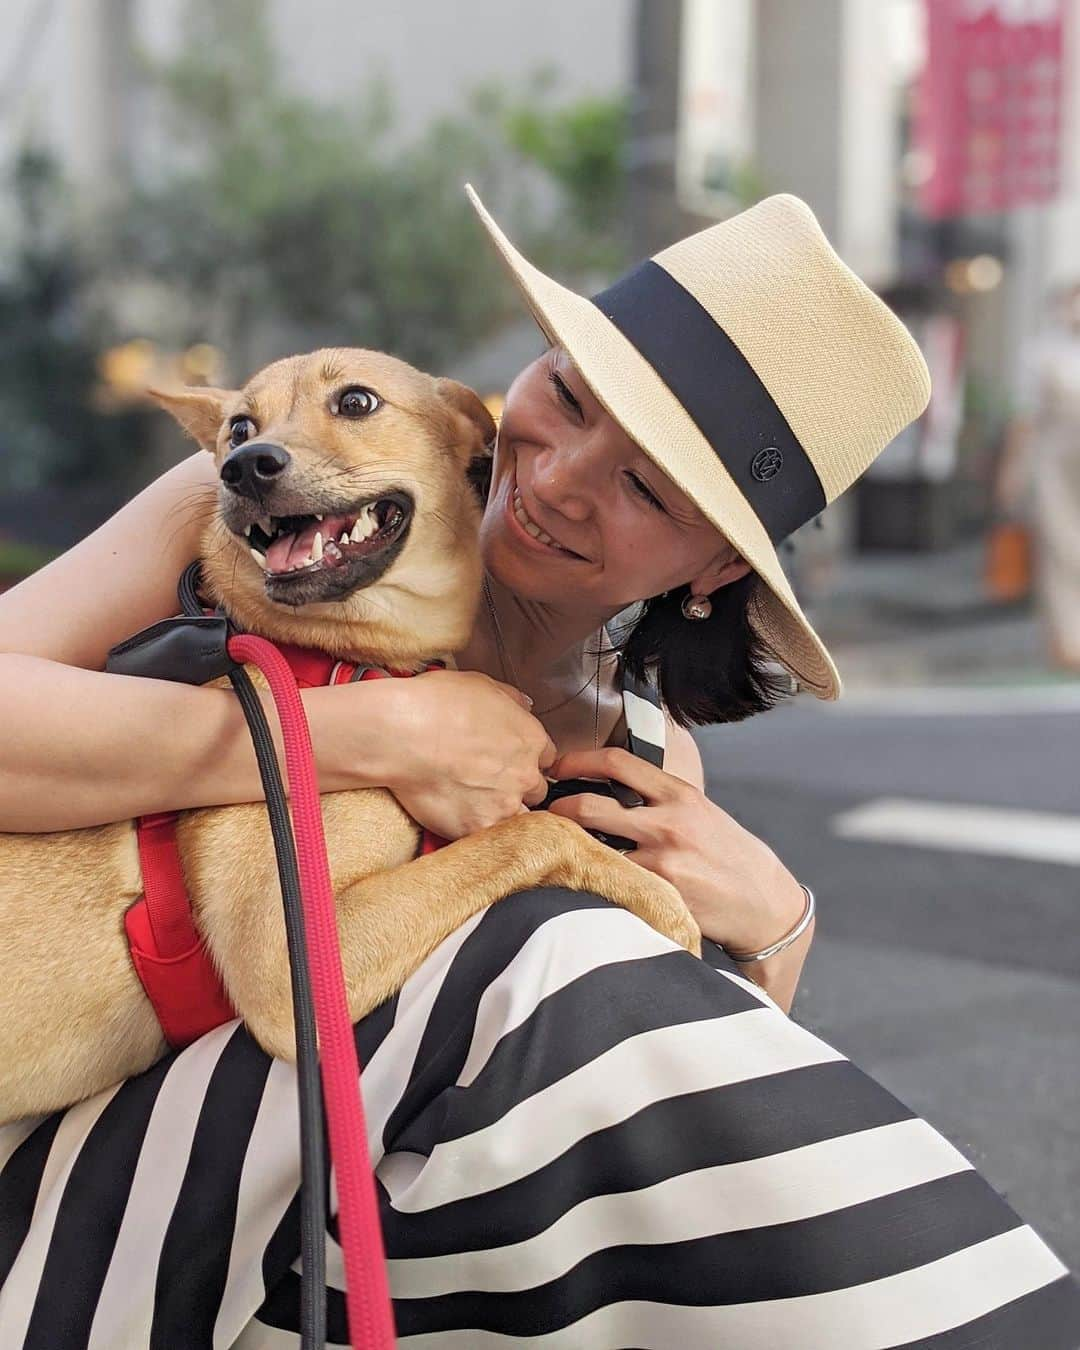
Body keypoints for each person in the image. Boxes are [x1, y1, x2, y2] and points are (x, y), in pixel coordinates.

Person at [1, 191, 1076, 1348]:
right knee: (549, 950)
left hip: (371, 1245)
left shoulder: (645, 764)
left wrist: (775, 940)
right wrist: (376, 738)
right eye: (566, 394)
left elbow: (675, 1146)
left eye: (648, 483)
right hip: (99, 1193)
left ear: (714, 566)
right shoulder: (267, 505)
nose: (561, 479)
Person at [995, 280, 1080, 671]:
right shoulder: (1043, 352)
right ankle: (1068, 641)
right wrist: (1012, 473)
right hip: (1055, 460)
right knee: (1060, 549)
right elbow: (1025, 419)